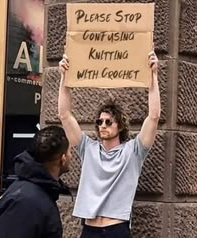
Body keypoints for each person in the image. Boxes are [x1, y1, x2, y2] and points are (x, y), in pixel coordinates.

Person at [58, 50, 160, 238]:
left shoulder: (133, 152)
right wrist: (65, 77)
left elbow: (153, 117)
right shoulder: (88, 148)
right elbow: (64, 115)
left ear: (119, 125)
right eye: (99, 122)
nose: (102, 125)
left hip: (116, 230)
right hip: (90, 229)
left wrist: (153, 75)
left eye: (108, 121)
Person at [0, 125, 72, 238]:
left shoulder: (38, 192)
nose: (71, 156)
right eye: (70, 151)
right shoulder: (24, 202)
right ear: (63, 159)